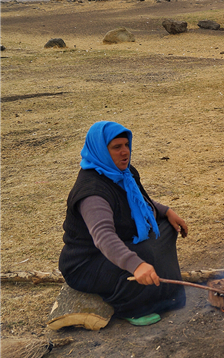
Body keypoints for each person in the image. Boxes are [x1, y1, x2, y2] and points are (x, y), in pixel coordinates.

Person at [58, 121, 188, 326]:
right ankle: (131, 307)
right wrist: (136, 265)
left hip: (119, 243)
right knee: (143, 255)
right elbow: (103, 236)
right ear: (101, 150)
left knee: (164, 229)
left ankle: (163, 290)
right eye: (116, 147)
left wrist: (166, 211)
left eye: (126, 145)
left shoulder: (124, 173)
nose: (124, 152)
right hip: (86, 262)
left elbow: (137, 202)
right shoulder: (92, 192)